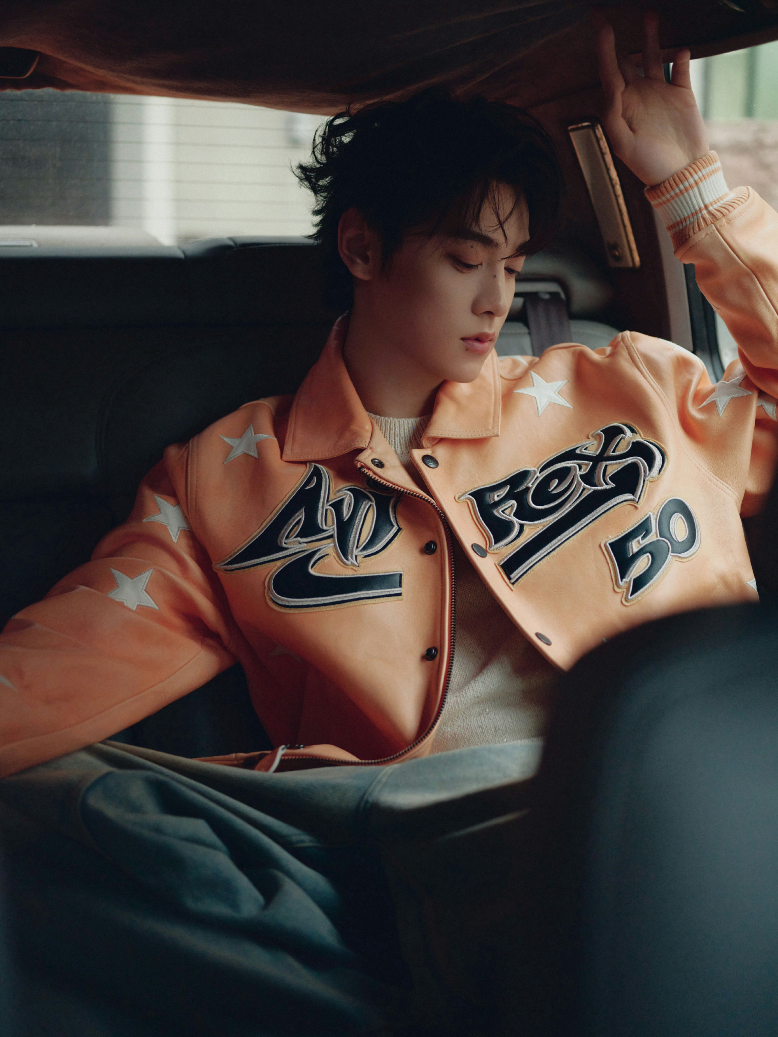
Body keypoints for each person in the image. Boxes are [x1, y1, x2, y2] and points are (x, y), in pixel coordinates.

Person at [1, 13, 777, 1037]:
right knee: (58, 802)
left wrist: (690, 189)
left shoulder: (630, 385)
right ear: (363, 248)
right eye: (465, 258)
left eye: (515, 262)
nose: (499, 297)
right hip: (378, 820)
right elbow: (52, 673)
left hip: (649, 793)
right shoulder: (226, 476)